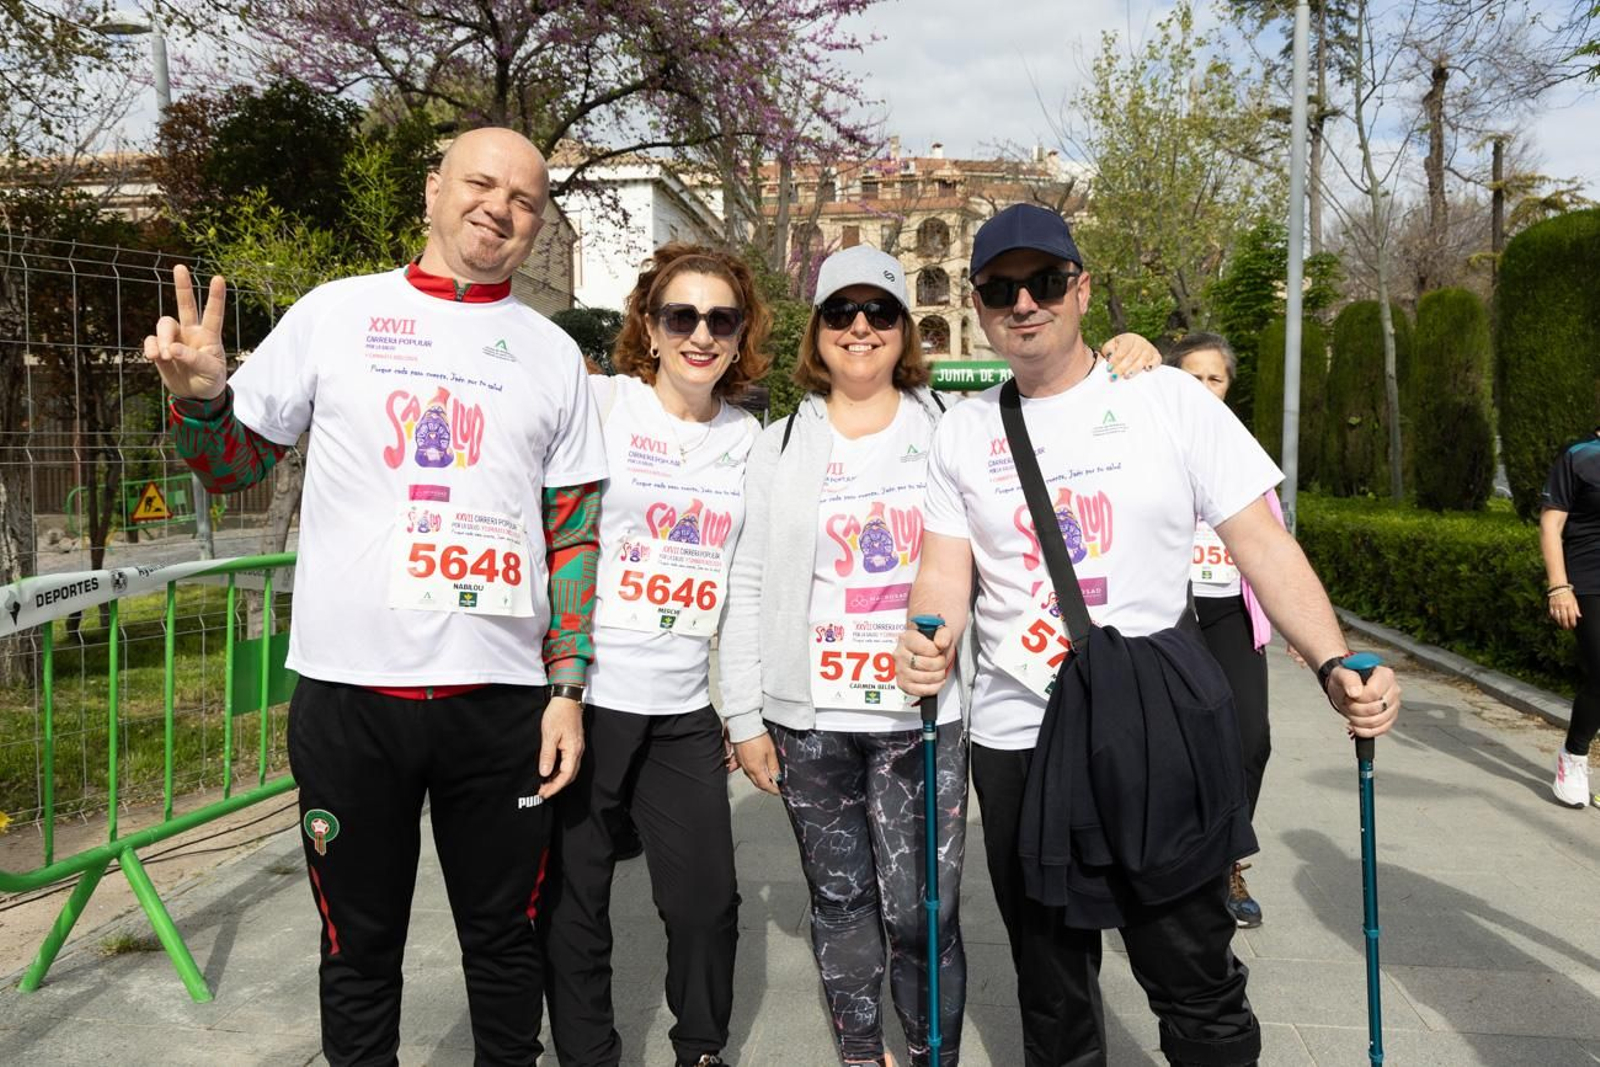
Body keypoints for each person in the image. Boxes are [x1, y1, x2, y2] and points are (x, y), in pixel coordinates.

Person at [895, 203, 1401, 1067]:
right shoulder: (965, 431)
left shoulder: (1166, 399)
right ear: (977, 303)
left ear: (1082, 290)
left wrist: (1331, 658)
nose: (1025, 303)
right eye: (1001, 288)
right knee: (1051, 991)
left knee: (1191, 970)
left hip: (1154, 724)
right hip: (1022, 735)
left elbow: (1264, 543)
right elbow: (945, 570)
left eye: (1045, 282)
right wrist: (926, 637)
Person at [148, 127, 605, 1066]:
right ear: (432, 191)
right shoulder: (336, 313)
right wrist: (200, 399)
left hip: (501, 705)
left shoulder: (554, 354)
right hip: (353, 696)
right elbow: (234, 466)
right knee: (358, 950)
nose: (500, 209)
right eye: (480, 184)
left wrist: (568, 689)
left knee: (505, 945)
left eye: (525, 199)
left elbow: (575, 533)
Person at [719, 244, 1161, 1067]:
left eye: (880, 311)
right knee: (840, 901)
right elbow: (747, 581)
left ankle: (929, 1056)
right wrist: (744, 713)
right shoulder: (775, 444)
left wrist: (1132, 355)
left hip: (924, 718)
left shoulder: (953, 426)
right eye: (842, 313)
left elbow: (1061, 396)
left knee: (924, 909)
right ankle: (860, 1053)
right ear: (817, 330)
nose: (861, 327)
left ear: (905, 328)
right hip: (809, 718)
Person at [540, 243, 768, 1067]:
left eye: (721, 319)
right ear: (650, 324)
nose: (700, 335)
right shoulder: (601, 403)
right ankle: (588, 1055)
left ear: (741, 335)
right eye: (682, 316)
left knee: (707, 902)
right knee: (575, 901)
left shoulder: (752, 440)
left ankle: (700, 1048)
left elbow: (744, 590)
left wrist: (741, 715)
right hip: (586, 697)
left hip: (681, 710)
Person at [1165, 332, 1293, 928]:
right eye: (1191, 377)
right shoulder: (1151, 443)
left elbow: (1274, 545)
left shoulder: (1246, 453)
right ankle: (1174, 864)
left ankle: (1227, 862)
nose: (1203, 389)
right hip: (1169, 615)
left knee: (1251, 739)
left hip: (1230, 613)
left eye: (1214, 379)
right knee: (1174, 747)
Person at [1540, 428, 1600, 809]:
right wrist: (1559, 586)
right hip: (1589, 579)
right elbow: (1551, 524)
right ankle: (1574, 755)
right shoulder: (1580, 454)